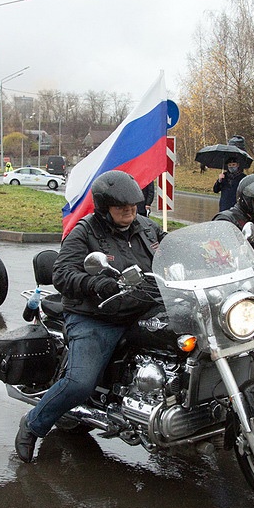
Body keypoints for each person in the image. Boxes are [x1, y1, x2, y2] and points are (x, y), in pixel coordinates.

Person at [14, 170, 166, 463]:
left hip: (145, 307)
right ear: (103, 207)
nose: (129, 210)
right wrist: (98, 284)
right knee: (80, 382)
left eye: (133, 204)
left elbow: (170, 253)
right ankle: (32, 424)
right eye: (121, 205)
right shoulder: (84, 232)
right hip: (96, 315)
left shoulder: (147, 227)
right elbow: (62, 273)